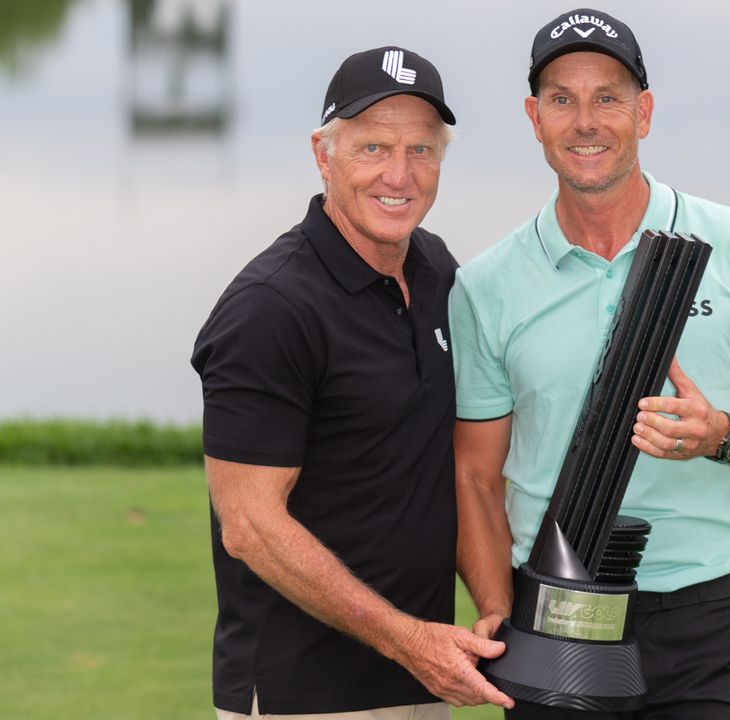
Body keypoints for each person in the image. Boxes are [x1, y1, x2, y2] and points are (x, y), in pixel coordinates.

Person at [449, 9, 730, 719]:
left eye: (608, 97)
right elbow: (475, 475)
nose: (586, 121)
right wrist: (494, 606)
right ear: (534, 118)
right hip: (554, 615)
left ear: (646, 112)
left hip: (710, 625)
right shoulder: (486, 286)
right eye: (563, 100)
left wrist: (722, 434)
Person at [191, 46, 513, 719]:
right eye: (373, 148)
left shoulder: (433, 269)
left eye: (421, 151)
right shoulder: (270, 308)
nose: (399, 174)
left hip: (423, 680)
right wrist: (408, 642)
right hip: (304, 696)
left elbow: (454, 465)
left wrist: (495, 609)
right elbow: (249, 525)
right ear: (323, 154)